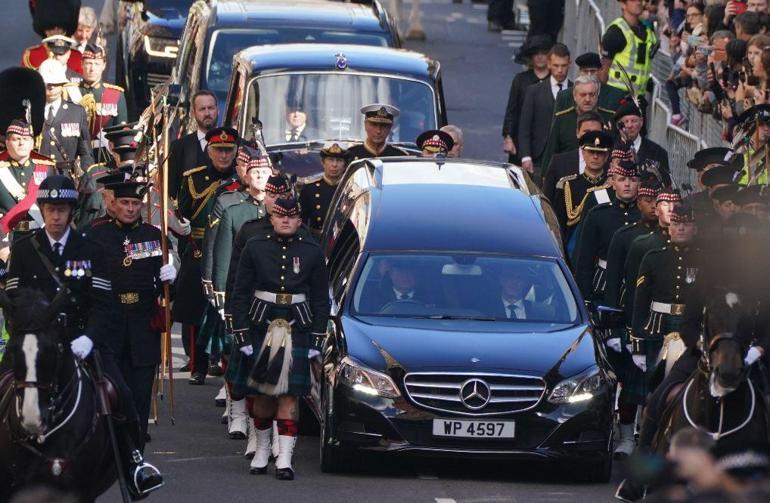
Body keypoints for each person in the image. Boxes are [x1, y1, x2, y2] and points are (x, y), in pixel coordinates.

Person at [4, 175, 163, 498]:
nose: (55, 216)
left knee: (122, 396)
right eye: (50, 209)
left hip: (79, 339)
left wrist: (89, 338)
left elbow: (103, 304)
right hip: (34, 340)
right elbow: (13, 304)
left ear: (72, 212)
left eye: (62, 209)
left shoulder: (91, 248)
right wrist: (24, 332)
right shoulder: (23, 249)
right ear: (42, 210)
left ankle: (134, 464)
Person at [230, 197, 330, 480]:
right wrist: (241, 332)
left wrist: (316, 340)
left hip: (297, 326)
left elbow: (322, 300)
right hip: (261, 324)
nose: (285, 220)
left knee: (289, 395)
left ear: (299, 220)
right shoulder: (255, 246)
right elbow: (240, 293)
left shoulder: (311, 250)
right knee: (261, 394)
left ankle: (284, 458)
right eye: (280, 216)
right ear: (271, 218)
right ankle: (262, 450)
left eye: (291, 216)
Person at [87, 179, 177, 446]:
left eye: (135, 203)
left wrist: (171, 278)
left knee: (139, 393)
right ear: (113, 203)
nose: (129, 208)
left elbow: (171, 293)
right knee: (110, 390)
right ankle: (108, 443)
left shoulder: (154, 236)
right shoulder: (94, 234)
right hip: (109, 323)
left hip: (142, 324)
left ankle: (135, 448)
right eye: (125, 203)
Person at [174, 127, 239, 386]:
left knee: (228, 313)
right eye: (219, 150)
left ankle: (226, 363)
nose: (223, 156)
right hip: (199, 248)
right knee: (196, 311)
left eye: (228, 151)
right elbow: (182, 216)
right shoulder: (193, 178)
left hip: (231, 249)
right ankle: (198, 364)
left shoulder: (241, 179)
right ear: (209, 151)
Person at [601, 177, 660, 459]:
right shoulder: (625, 236)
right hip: (630, 316)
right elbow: (613, 282)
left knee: (656, 384)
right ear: (639, 203)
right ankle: (625, 436)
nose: (653, 207)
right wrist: (613, 329)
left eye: (657, 202)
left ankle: (650, 437)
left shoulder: (672, 243)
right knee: (630, 381)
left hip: (660, 319)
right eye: (648, 201)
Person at [574, 161, 641, 303]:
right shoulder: (598, 215)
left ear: (639, 184)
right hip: (604, 283)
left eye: (633, 180)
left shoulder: (644, 217)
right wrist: (585, 297)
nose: (627, 184)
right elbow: (585, 260)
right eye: (622, 179)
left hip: (637, 284)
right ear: (613, 183)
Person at [518, 43, 572, 182]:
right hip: (538, 158)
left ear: (569, 64)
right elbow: (525, 126)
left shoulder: (576, 91)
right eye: (556, 65)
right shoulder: (534, 91)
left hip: (566, 156)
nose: (560, 70)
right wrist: (526, 156)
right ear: (549, 64)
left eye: (564, 65)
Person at [540, 75, 613, 172]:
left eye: (592, 95)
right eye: (583, 95)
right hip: (567, 175)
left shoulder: (609, 118)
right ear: (574, 96)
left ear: (598, 95)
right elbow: (551, 153)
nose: (587, 99)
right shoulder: (562, 119)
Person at [553, 130, 613, 244]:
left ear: (606, 156)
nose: (595, 156)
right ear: (583, 153)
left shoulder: (611, 186)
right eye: (591, 152)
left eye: (600, 153)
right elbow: (558, 223)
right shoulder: (568, 185)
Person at [0, 120, 55, 240]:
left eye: (25, 139)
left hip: (40, 236)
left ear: (32, 143)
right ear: (7, 143)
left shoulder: (47, 168)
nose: (21, 143)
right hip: (7, 237)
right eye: (16, 139)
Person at [503, 34, 553, 164]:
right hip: (521, 139)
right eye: (536, 53)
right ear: (530, 56)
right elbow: (511, 110)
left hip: (547, 141)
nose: (540, 56)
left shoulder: (555, 81)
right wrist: (508, 137)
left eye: (543, 52)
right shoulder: (521, 80)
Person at [37, 59, 94, 173]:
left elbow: (86, 153)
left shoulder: (77, 112)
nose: (51, 87)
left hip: (66, 178)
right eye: (47, 84)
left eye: (56, 83)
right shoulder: (30, 111)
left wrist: (87, 175)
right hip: (38, 177)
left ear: (63, 84)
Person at [77, 43, 128, 163]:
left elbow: (121, 132)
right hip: (76, 155)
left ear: (104, 65)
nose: (92, 68)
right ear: (82, 64)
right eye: (89, 63)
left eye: (96, 64)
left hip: (105, 157)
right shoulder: (69, 91)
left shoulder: (116, 95)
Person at [542, 111, 604, 202]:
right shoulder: (559, 163)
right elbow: (546, 201)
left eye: (596, 132)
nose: (591, 137)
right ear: (577, 133)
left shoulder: (610, 163)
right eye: (586, 132)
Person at [602, 0, 657, 100]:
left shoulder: (647, 31)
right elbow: (604, 68)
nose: (638, 2)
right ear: (623, 4)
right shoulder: (616, 31)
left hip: (639, 97)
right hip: (617, 95)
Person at [168, 90, 217, 201]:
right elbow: (171, 192)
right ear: (193, 113)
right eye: (202, 109)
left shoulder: (234, 144)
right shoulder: (179, 148)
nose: (207, 113)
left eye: (211, 108)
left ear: (217, 110)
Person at [614, 100, 671, 185]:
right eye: (625, 122)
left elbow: (666, 184)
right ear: (618, 125)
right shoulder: (610, 149)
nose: (629, 126)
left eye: (633, 121)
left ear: (641, 122)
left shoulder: (658, 152)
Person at [21, 0, 83, 76]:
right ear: (44, 29)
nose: (55, 30)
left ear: (65, 29)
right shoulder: (31, 56)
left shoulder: (76, 57)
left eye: (60, 27)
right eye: (50, 27)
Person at [300, 142, 347, 236]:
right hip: (317, 240)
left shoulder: (351, 187)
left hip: (345, 242)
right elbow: (301, 222)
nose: (334, 164)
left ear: (345, 164)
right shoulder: (310, 188)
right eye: (330, 159)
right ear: (323, 162)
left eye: (339, 160)